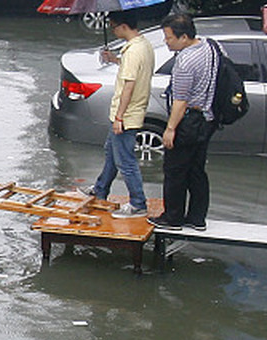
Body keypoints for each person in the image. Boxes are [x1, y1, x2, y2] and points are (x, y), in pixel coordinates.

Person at [150, 12, 215, 231]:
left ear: (184, 37)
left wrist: (170, 129)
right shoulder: (210, 47)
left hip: (188, 121)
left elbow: (181, 100)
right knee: (197, 170)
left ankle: (173, 218)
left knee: (175, 170)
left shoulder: (185, 62)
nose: (166, 42)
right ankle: (197, 218)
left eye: (169, 38)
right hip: (207, 118)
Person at [85, 13, 155, 218]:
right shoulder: (143, 45)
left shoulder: (133, 52)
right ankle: (100, 189)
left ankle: (138, 203)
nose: (113, 30)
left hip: (127, 114)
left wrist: (119, 117)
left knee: (125, 160)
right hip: (131, 111)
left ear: (124, 26)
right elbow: (134, 71)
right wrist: (115, 60)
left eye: (114, 27)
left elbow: (129, 86)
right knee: (111, 152)